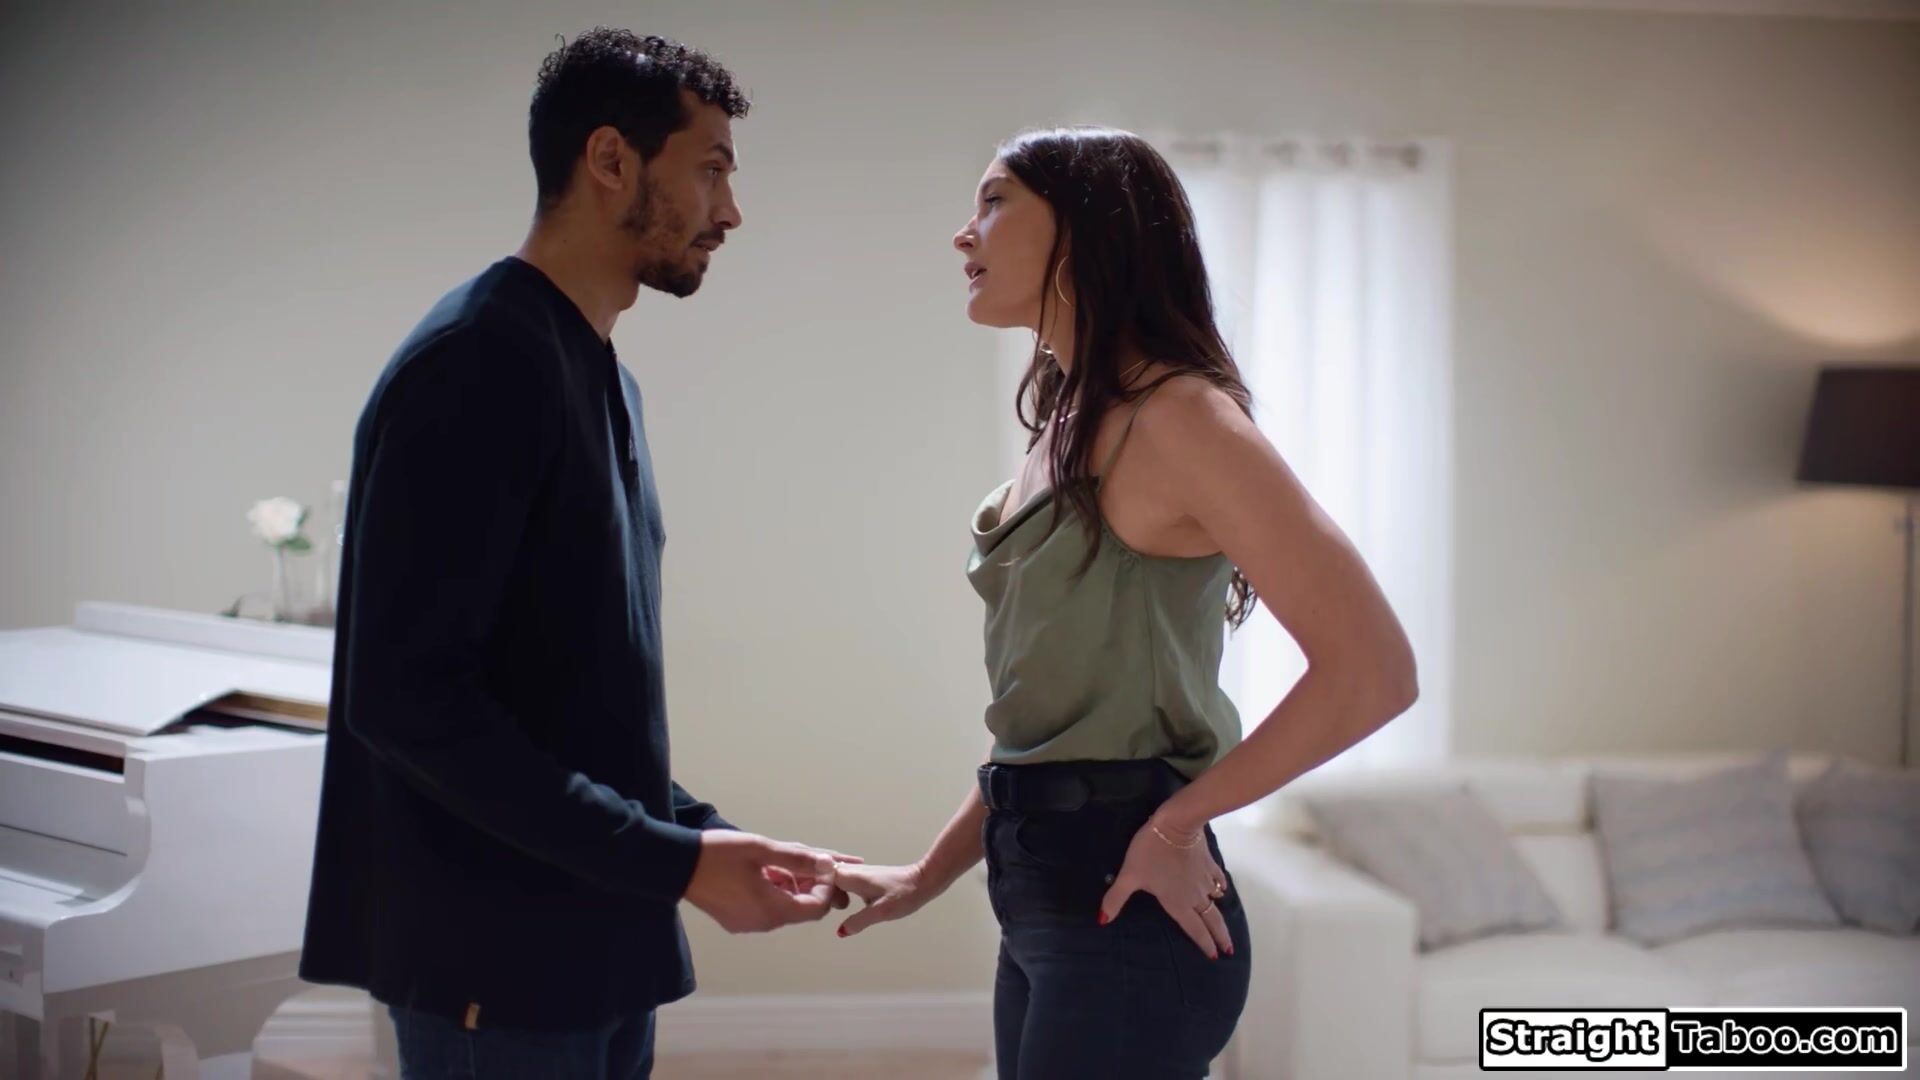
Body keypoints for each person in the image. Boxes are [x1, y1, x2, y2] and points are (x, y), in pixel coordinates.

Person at [299, 30, 851, 1079]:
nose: (730, 211)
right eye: (712, 169)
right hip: (495, 971)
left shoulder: (599, 375)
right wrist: (676, 862)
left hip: (595, 949)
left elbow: (567, 701)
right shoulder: (478, 360)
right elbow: (409, 699)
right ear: (609, 159)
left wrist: (702, 839)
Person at [832, 127, 1421, 1079]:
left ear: (1085, 230)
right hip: (1039, 900)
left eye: (994, 201)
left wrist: (1175, 825)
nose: (963, 234)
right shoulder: (1065, 424)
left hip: (1127, 909)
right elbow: (1044, 730)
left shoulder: (1180, 417)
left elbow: (1376, 673)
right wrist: (927, 875)